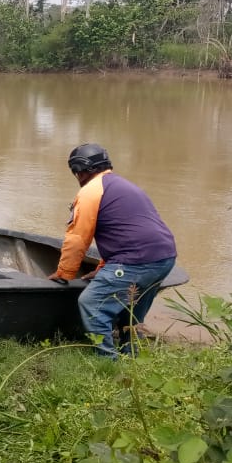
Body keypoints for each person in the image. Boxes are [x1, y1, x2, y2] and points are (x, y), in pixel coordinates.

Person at [47, 143, 177, 359]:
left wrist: (64, 273)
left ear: (79, 170)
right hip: (164, 258)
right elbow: (126, 233)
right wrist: (103, 268)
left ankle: (108, 361)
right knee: (132, 309)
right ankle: (131, 353)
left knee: (90, 303)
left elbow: (78, 238)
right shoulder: (124, 186)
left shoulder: (89, 192)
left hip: (136, 260)